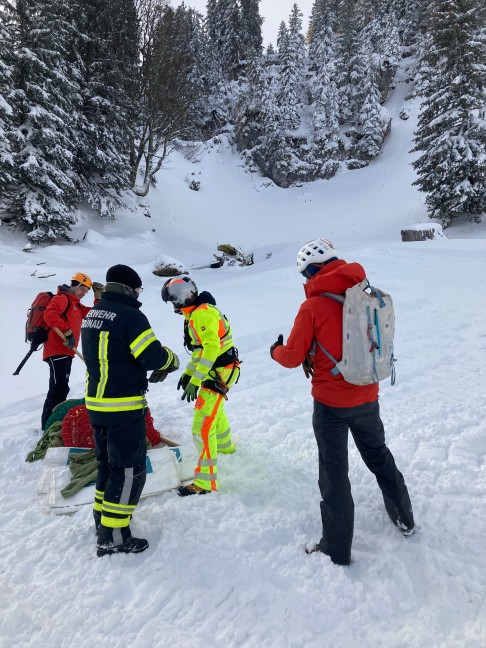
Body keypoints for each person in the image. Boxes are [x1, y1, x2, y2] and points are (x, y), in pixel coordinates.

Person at [270, 238, 414, 566]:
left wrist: (274, 350)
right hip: (367, 395)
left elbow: (291, 357)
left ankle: (336, 548)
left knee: (334, 472)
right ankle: (405, 518)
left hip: (330, 405)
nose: (305, 282)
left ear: (313, 269)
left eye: (306, 274)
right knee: (378, 456)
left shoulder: (313, 306)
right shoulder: (365, 293)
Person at [81, 264, 179, 557]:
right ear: (128, 288)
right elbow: (151, 355)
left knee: (107, 467)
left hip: (96, 405)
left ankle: (102, 519)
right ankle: (114, 537)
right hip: (122, 407)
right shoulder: (130, 315)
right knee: (128, 472)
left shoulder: (93, 313)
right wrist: (170, 359)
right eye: (138, 289)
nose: (139, 294)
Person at [161, 276, 240, 496]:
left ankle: (205, 483)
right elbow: (199, 351)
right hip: (219, 370)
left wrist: (196, 380)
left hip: (221, 372)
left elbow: (212, 349)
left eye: (174, 301)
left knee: (201, 425)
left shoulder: (202, 313)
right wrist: (189, 374)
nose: (174, 306)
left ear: (181, 297)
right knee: (215, 412)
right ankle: (225, 448)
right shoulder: (195, 314)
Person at [41, 272, 103, 430]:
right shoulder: (62, 299)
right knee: (58, 388)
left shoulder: (76, 305)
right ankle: (48, 425)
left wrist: (98, 298)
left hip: (66, 352)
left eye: (87, 292)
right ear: (74, 285)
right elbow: (50, 314)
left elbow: (93, 314)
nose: (83, 293)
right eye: (82, 289)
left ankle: (50, 423)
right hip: (56, 351)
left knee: (60, 387)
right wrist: (67, 331)